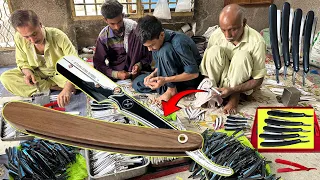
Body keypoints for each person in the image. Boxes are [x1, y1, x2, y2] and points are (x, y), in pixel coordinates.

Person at [0, 10, 77, 107]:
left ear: (40, 25)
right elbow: (22, 62)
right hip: (38, 74)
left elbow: (75, 65)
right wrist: (28, 73)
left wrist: (67, 88)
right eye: (26, 37)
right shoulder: (18, 38)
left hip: (61, 74)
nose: (32, 40)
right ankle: (54, 87)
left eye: (34, 34)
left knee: (85, 81)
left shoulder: (58, 36)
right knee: (6, 78)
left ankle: (51, 87)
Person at [199, 4, 267, 114]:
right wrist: (207, 87)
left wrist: (233, 90)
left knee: (242, 56)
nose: (227, 35)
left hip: (241, 86)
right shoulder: (216, 35)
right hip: (220, 82)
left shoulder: (257, 41)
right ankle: (212, 93)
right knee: (213, 51)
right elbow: (207, 67)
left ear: (244, 23)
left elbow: (258, 79)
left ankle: (234, 98)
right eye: (223, 30)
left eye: (233, 29)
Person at [132, 15, 203, 103]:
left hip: (187, 79)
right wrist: (152, 75)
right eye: (147, 46)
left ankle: (171, 90)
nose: (149, 49)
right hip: (169, 77)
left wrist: (165, 80)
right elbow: (160, 66)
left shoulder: (179, 42)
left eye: (151, 45)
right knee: (137, 83)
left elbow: (194, 74)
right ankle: (169, 89)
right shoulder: (157, 43)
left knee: (165, 49)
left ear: (162, 35)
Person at [93, 0, 152, 80]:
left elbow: (149, 54)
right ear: (105, 20)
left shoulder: (135, 30)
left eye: (119, 22)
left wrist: (139, 65)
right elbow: (98, 63)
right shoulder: (104, 36)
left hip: (139, 73)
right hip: (115, 73)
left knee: (146, 81)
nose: (117, 27)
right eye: (112, 24)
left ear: (123, 15)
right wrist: (116, 74)